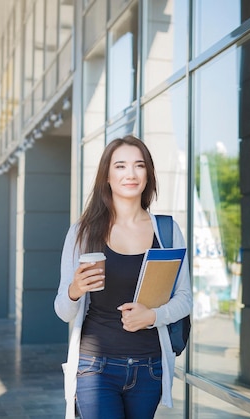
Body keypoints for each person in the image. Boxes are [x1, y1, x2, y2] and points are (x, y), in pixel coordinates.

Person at [54, 135, 193, 419]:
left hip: (150, 368)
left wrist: (152, 317)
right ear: (107, 175)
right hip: (95, 367)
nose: (130, 174)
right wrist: (74, 290)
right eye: (120, 166)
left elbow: (185, 299)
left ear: (148, 174)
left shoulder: (166, 231)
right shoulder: (83, 233)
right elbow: (63, 311)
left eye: (138, 165)